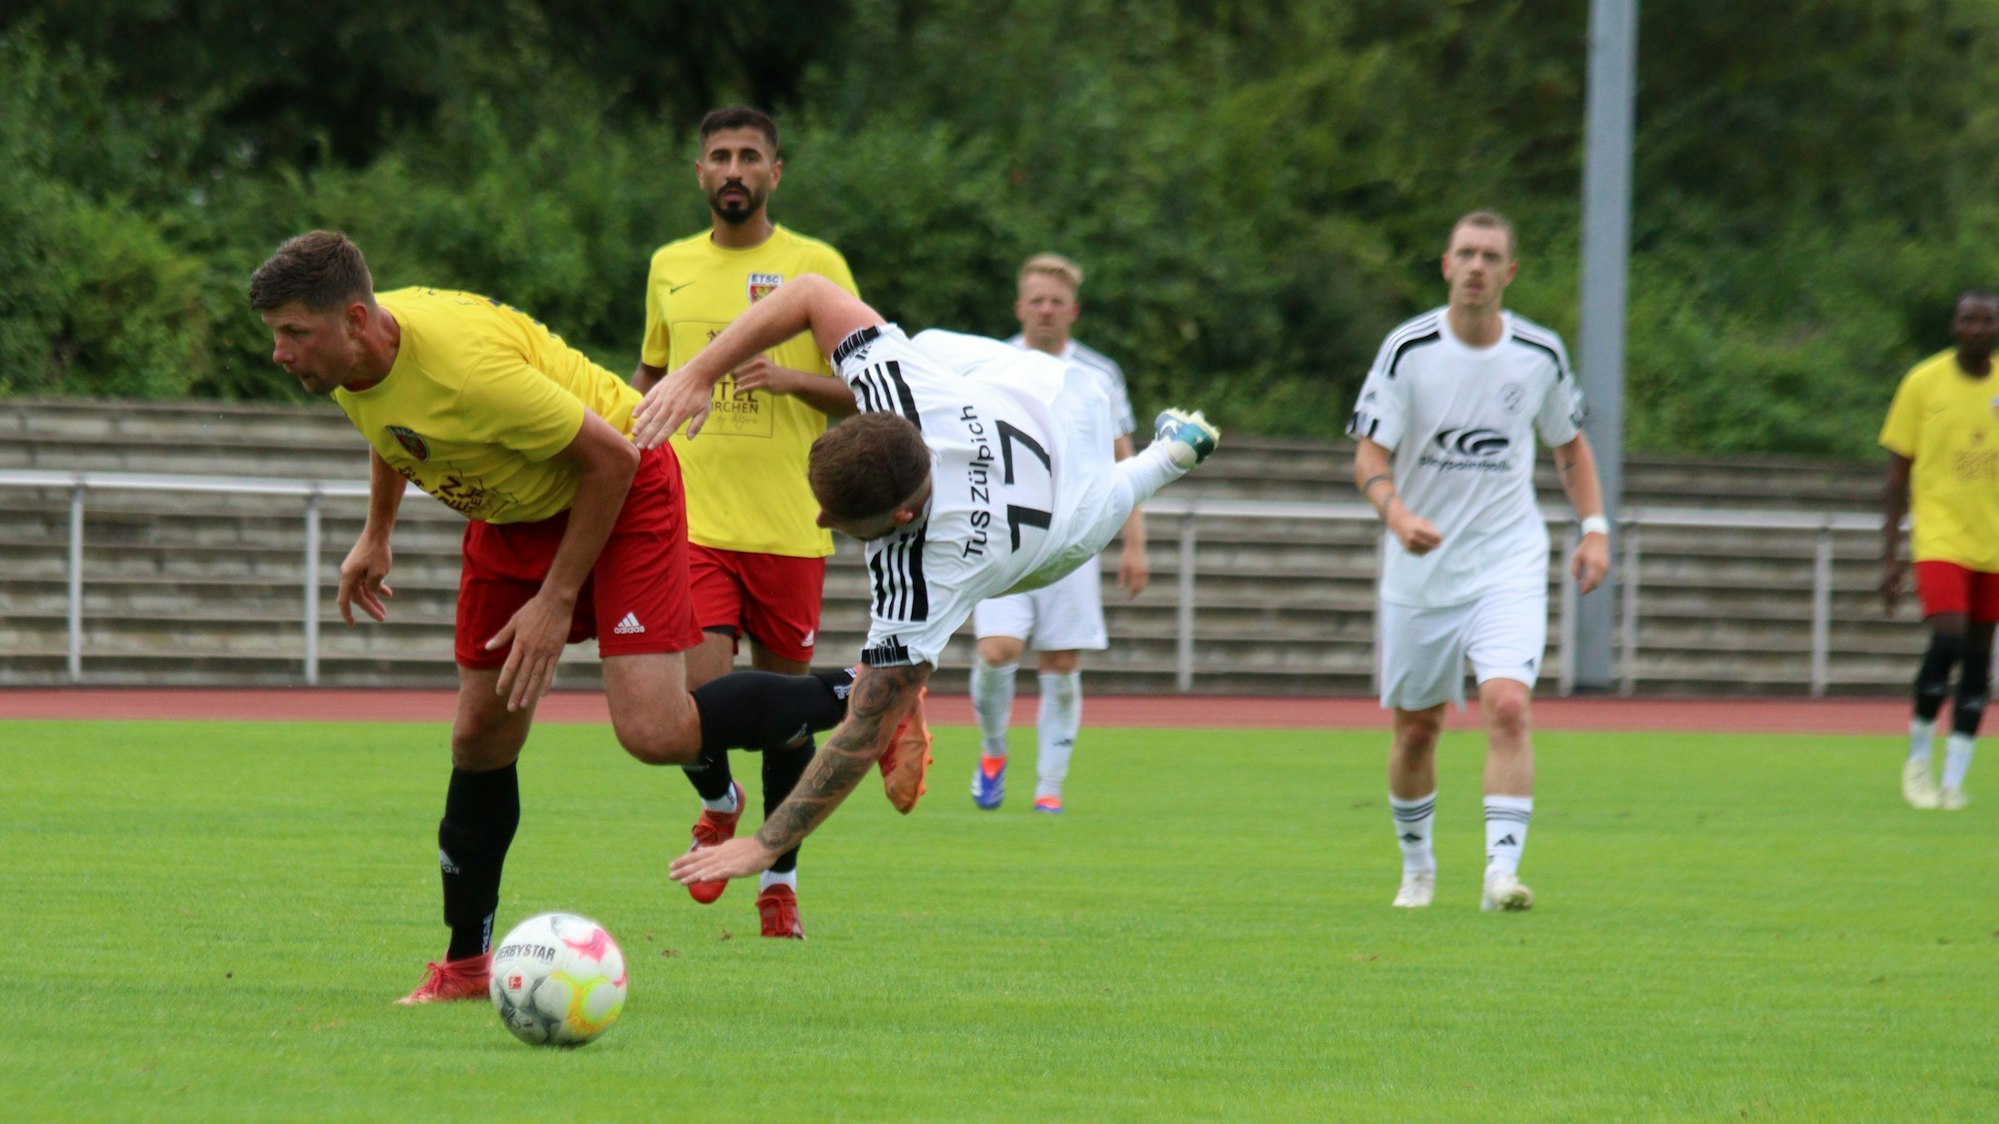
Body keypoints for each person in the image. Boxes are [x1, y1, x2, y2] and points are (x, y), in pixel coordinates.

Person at [249, 232, 865, 1000]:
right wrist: (378, 532)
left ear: (353, 319)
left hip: (622, 483)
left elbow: (614, 457)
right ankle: (467, 965)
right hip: (512, 514)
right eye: (276, 334)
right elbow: (397, 428)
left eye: (292, 334)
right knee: (481, 735)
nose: (280, 353)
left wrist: (557, 598)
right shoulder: (351, 358)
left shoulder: (469, 370)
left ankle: (869, 689)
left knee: (655, 733)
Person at [631, 274, 1220, 889]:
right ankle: (1172, 453)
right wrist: (695, 374)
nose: (820, 520)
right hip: (1043, 383)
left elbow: (861, 733)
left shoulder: (931, 570)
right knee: (924, 342)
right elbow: (809, 291)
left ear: (903, 518)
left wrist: (764, 845)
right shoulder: (900, 389)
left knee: (1089, 521)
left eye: (841, 521)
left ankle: (1165, 458)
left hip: (1060, 492)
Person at [631, 106, 862, 938]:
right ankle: (716, 799)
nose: (733, 169)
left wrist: (796, 383)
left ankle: (780, 880)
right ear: (698, 172)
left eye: (749, 157)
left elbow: (870, 386)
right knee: (694, 698)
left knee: (788, 714)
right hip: (691, 522)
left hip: (792, 524)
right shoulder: (669, 266)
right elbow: (650, 377)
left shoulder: (815, 266)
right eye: (719, 156)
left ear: (775, 173)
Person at [1345, 211, 1609, 913]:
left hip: (1507, 560)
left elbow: (1569, 446)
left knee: (1508, 705)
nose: (1476, 267)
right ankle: (1417, 865)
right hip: (1421, 569)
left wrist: (1593, 528)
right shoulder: (1407, 349)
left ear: (1509, 272)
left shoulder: (1539, 354)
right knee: (1415, 730)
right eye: (1465, 254)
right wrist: (1397, 515)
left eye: (1490, 256)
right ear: (1444, 265)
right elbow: (1368, 454)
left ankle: (1500, 874)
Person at [967, 253, 1147, 814]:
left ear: (1074, 310)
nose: (1046, 311)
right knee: (998, 651)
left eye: (1056, 302)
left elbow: (1124, 457)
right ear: (1021, 307)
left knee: (1062, 663)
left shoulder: (1098, 373)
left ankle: (1050, 786)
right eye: (1036, 301)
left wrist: (1135, 541)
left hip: (1074, 536)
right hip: (1004, 535)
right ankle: (993, 752)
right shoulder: (992, 363)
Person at [1878, 290, 1999, 811]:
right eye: (1968, 319)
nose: (1976, 328)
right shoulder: (1924, 382)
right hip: (1940, 538)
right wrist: (1890, 554)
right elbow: (1896, 475)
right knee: (1947, 641)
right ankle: (1919, 758)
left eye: (1986, 320)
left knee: (1978, 661)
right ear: (1953, 326)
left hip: (1992, 544)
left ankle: (1954, 779)